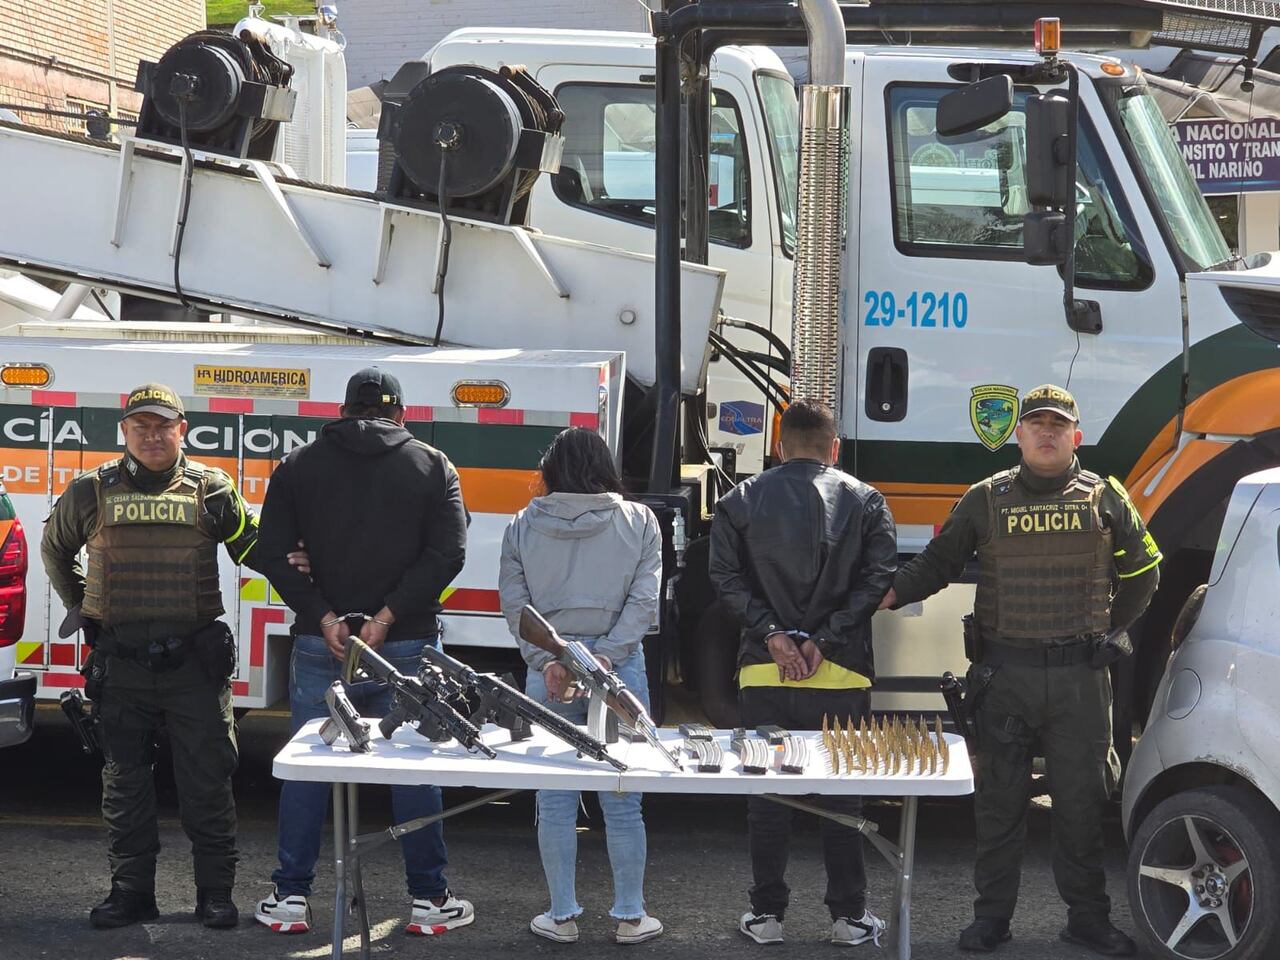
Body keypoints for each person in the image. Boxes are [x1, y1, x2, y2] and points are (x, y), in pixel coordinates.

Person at [881, 385, 1161, 956]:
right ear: (1018, 435)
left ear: (1076, 436)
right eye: (1036, 423)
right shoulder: (986, 498)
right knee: (999, 806)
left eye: (1058, 424)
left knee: (1081, 807)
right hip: (1004, 678)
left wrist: (1114, 630)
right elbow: (940, 562)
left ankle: (1087, 918)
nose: (1047, 432)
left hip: (1081, 679)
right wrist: (887, 593)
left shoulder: (1106, 497)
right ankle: (991, 920)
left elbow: (1146, 570)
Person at [254, 367, 473, 936]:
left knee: (307, 766)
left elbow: (270, 551)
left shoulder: (298, 466)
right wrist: (386, 617)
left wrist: (324, 614)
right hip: (406, 639)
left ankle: (290, 899)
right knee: (413, 766)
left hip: (320, 638)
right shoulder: (432, 464)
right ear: (399, 413)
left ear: (344, 409)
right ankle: (429, 901)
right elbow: (448, 554)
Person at [41, 383, 261, 929]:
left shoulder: (211, 489)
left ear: (182, 429)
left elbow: (252, 547)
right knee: (124, 783)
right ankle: (131, 893)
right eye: (141, 426)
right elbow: (54, 549)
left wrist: (306, 557)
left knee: (207, 781)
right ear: (125, 433)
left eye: (163, 425)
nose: (153, 435)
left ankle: (214, 894)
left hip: (193, 663)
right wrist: (82, 606)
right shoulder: (92, 491)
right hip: (122, 663)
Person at [709, 399, 897, 948]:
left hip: (766, 673)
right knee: (842, 799)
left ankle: (767, 916)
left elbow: (724, 577)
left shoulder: (738, 500)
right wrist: (824, 640)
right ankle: (848, 918)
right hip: (841, 674)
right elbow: (879, 577)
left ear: (778, 445)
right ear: (833, 447)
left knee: (766, 798)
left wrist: (774, 634)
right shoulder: (865, 501)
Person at [499, 427, 664, 945]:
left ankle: (562, 915)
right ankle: (631, 917)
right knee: (623, 795)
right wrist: (603, 659)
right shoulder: (640, 521)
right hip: (620, 670)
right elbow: (644, 603)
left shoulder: (522, 524)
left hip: (547, 670)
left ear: (551, 471)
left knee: (553, 798)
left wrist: (551, 659)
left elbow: (514, 606)